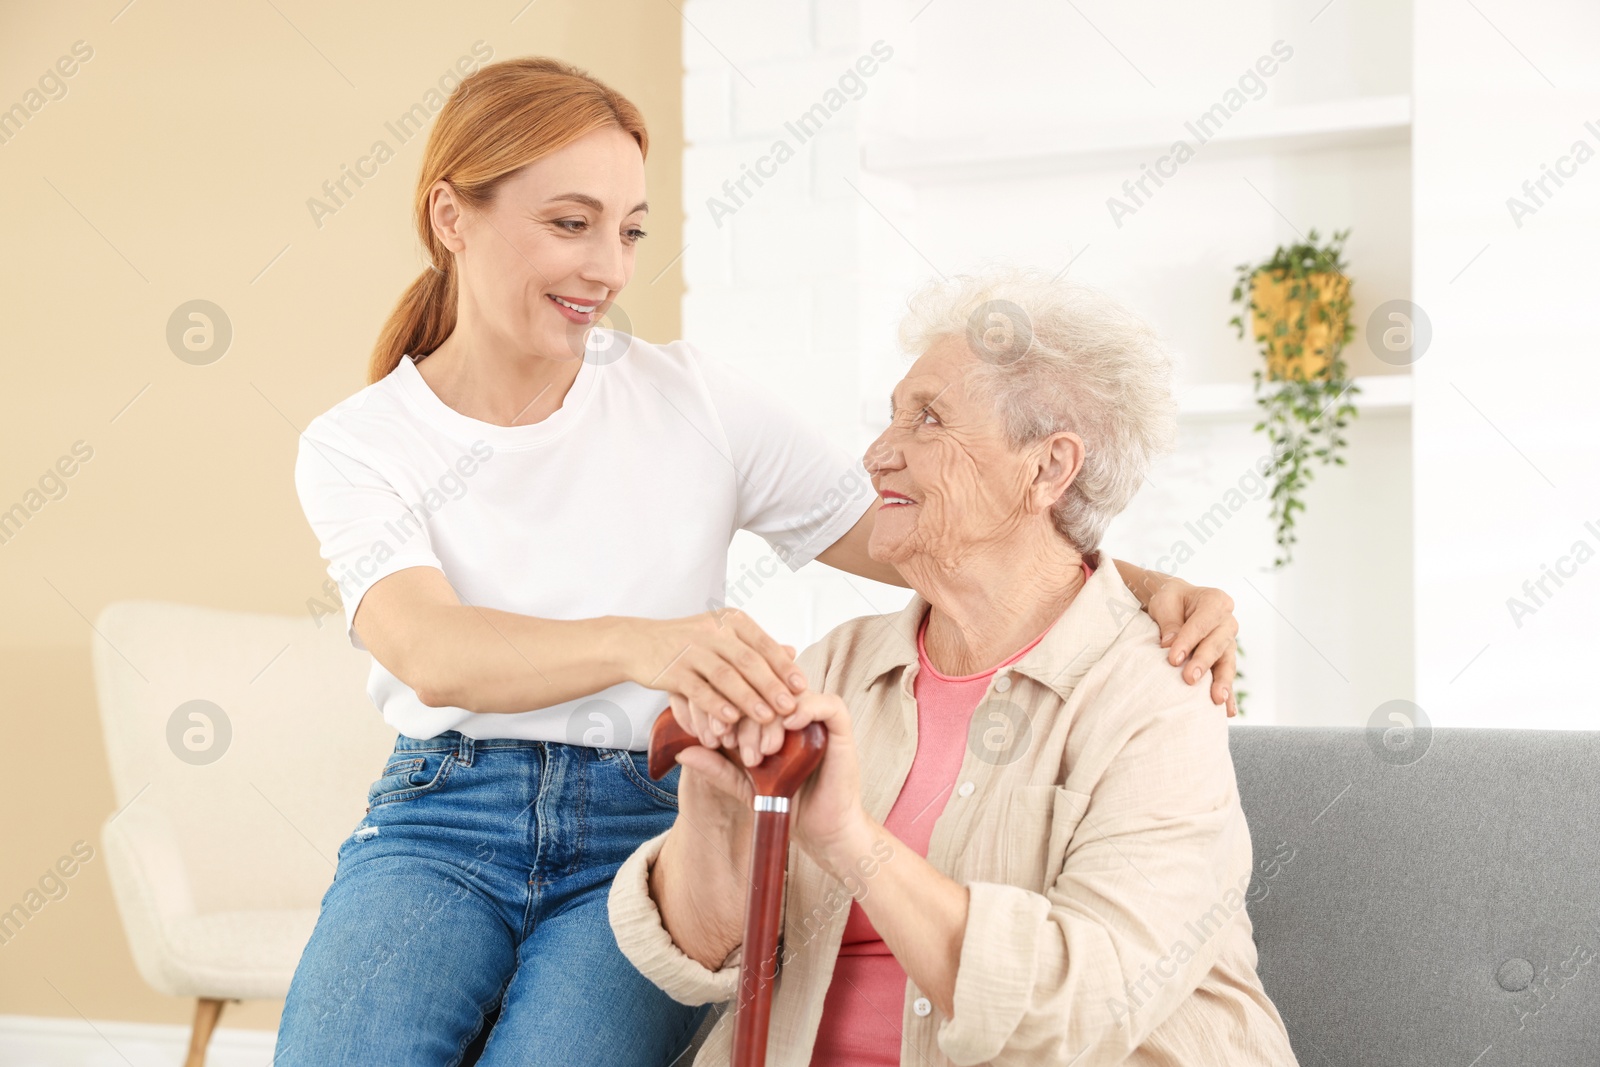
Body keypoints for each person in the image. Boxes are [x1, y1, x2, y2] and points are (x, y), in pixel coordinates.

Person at [274, 57, 1244, 1067]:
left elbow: (929, 525)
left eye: (630, 229)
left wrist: (1142, 587)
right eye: (570, 222)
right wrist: (648, 645)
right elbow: (430, 647)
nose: (609, 265)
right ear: (451, 215)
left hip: (646, 819)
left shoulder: (689, 398)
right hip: (443, 810)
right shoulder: (360, 442)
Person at [610, 267, 1298, 1066]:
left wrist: (849, 838)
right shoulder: (837, 667)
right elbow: (700, 953)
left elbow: (1076, 1011)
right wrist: (719, 801)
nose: (876, 454)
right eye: (892, 417)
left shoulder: (1155, 698)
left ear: (1048, 468)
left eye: (927, 419)